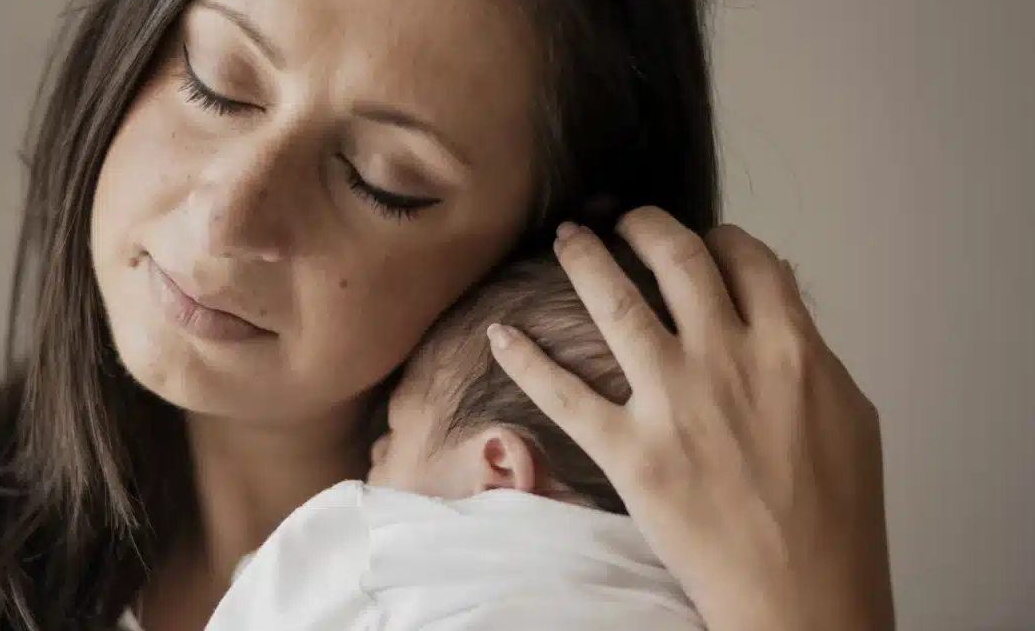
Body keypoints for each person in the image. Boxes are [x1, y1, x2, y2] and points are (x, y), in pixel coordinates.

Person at [0, 0, 893, 630]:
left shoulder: (659, 595)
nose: (229, 215)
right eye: (215, 81)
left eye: (385, 182)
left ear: (541, 242)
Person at [204, 251, 702, 631]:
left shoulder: (388, 542)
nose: (375, 454)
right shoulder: (710, 597)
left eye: (395, 432)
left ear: (500, 465)